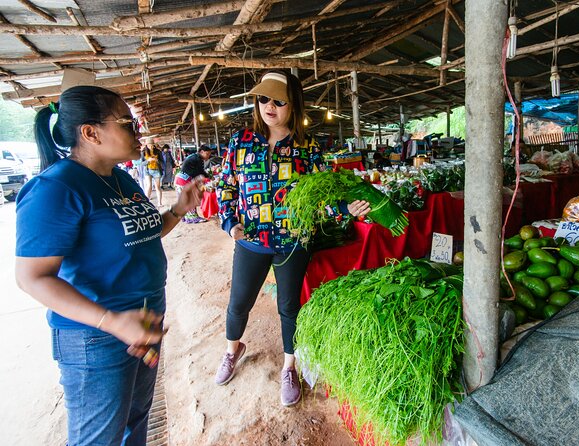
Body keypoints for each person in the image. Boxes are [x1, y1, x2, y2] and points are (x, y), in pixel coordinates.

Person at [14, 86, 203, 446]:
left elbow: (143, 232)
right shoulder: (56, 188)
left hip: (143, 322)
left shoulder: (120, 178)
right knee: (99, 438)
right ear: (90, 133)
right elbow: (32, 277)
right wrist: (112, 321)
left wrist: (179, 209)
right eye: (128, 125)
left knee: (136, 419)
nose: (138, 133)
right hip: (96, 336)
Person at [216, 71, 370, 406]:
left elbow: (322, 199)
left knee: (289, 306)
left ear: (293, 104)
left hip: (293, 242)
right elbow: (225, 186)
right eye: (263, 99)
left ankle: (290, 366)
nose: (269, 106)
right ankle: (232, 350)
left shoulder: (308, 148)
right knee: (239, 302)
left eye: (278, 100)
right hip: (251, 240)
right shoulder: (240, 142)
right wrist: (230, 223)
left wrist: (346, 208)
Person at [175, 144, 213, 223]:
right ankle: (192, 217)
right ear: (201, 152)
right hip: (184, 179)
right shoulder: (197, 159)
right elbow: (198, 172)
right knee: (190, 197)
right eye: (207, 154)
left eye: (209, 154)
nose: (208, 156)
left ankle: (184, 217)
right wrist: (207, 178)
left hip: (179, 178)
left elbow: (200, 171)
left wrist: (207, 177)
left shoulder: (195, 157)